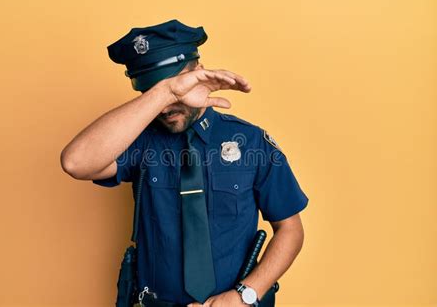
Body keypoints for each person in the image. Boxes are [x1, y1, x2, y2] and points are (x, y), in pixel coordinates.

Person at [60, 19, 309, 307]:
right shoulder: (139, 142)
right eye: (151, 93)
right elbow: (76, 162)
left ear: (199, 74)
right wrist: (167, 91)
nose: (166, 109)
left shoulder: (252, 142)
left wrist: (245, 295)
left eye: (176, 91)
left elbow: (290, 229)